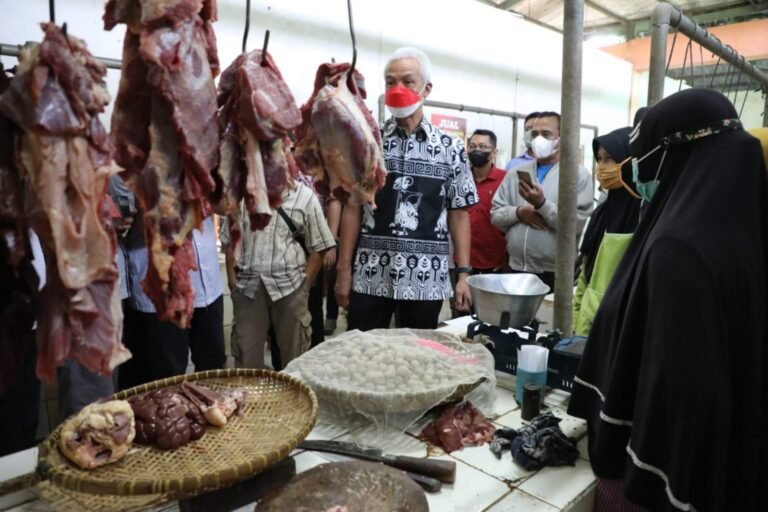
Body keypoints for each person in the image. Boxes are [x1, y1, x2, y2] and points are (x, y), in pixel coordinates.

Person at [568, 88, 768, 512]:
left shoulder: (679, 251)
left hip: (658, 483)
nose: (634, 170)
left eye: (643, 157)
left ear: (674, 154)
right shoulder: (741, 234)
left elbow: (676, 392)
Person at [334, 47, 478, 330]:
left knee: (416, 360)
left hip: (427, 280)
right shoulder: (368, 142)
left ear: (426, 88)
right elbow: (353, 208)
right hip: (370, 274)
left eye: (407, 81)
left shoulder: (450, 148)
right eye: (390, 82)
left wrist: (463, 274)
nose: (397, 89)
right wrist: (343, 270)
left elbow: (459, 215)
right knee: (363, 354)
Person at [222, 177, 335, 369]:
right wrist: (233, 283)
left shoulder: (304, 197)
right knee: (246, 361)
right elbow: (230, 240)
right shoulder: (240, 194)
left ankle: (291, 398)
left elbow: (320, 245)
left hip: (291, 288)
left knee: (295, 362)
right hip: (249, 289)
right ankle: (251, 399)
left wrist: (304, 285)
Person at [118, 214, 226, 390]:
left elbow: (223, 204)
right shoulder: (132, 185)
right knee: (166, 378)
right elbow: (133, 219)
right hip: (160, 291)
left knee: (213, 370)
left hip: (207, 284)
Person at [490, 111, 593, 291]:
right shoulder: (516, 173)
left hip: (554, 272)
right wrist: (519, 212)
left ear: (561, 138)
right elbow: (495, 216)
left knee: (549, 318)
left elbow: (575, 224)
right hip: (516, 267)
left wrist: (542, 205)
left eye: (546, 134)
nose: (538, 140)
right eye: (534, 134)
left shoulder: (577, 176)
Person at [571, 127, 640, 336]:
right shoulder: (602, 212)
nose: (602, 167)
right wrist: (576, 320)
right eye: (599, 159)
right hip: (588, 326)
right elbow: (586, 273)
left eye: (610, 158)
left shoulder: (644, 214)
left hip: (619, 329)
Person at [466, 129, 507, 274]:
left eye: (483, 147)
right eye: (472, 146)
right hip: (464, 262)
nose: (477, 150)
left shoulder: (505, 179)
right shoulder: (460, 179)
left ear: (494, 152)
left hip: (496, 263)